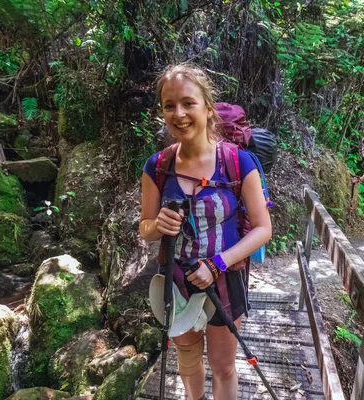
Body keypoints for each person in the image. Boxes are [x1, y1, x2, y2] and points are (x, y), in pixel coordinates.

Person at [139, 63, 272, 400]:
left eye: (188, 103)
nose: (178, 114)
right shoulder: (157, 167)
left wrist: (217, 265)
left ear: (208, 108)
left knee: (223, 366)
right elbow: (145, 228)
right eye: (169, 106)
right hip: (177, 279)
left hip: (225, 279)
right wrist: (158, 226)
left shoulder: (239, 162)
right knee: (187, 358)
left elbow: (262, 228)